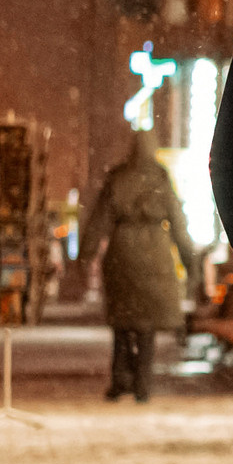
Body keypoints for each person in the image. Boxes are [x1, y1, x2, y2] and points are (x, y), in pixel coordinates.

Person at [79, 130, 193, 401]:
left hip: (122, 256)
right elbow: (178, 224)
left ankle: (119, 380)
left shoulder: (117, 177)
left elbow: (99, 221)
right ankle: (143, 384)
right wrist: (191, 263)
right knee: (146, 327)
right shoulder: (161, 178)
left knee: (122, 324)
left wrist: (86, 255)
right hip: (155, 255)